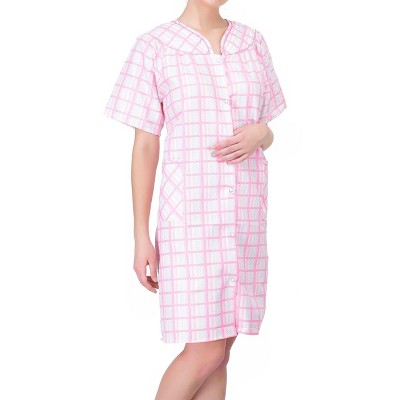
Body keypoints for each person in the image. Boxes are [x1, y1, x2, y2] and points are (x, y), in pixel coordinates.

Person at [103, 0, 287, 398]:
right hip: (190, 219)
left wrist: (261, 133)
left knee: (221, 352)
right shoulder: (155, 46)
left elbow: (266, 132)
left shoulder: (252, 42)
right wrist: (140, 235)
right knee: (205, 351)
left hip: (245, 217)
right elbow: (145, 147)